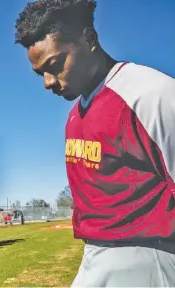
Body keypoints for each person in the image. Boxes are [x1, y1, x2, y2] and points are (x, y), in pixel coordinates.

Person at [14, 0, 175, 286]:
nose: (48, 82)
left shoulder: (150, 93)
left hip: (148, 258)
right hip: (94, 255)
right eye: (41, 73)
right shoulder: (76, 114)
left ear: (89, 39)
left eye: (55, 64)